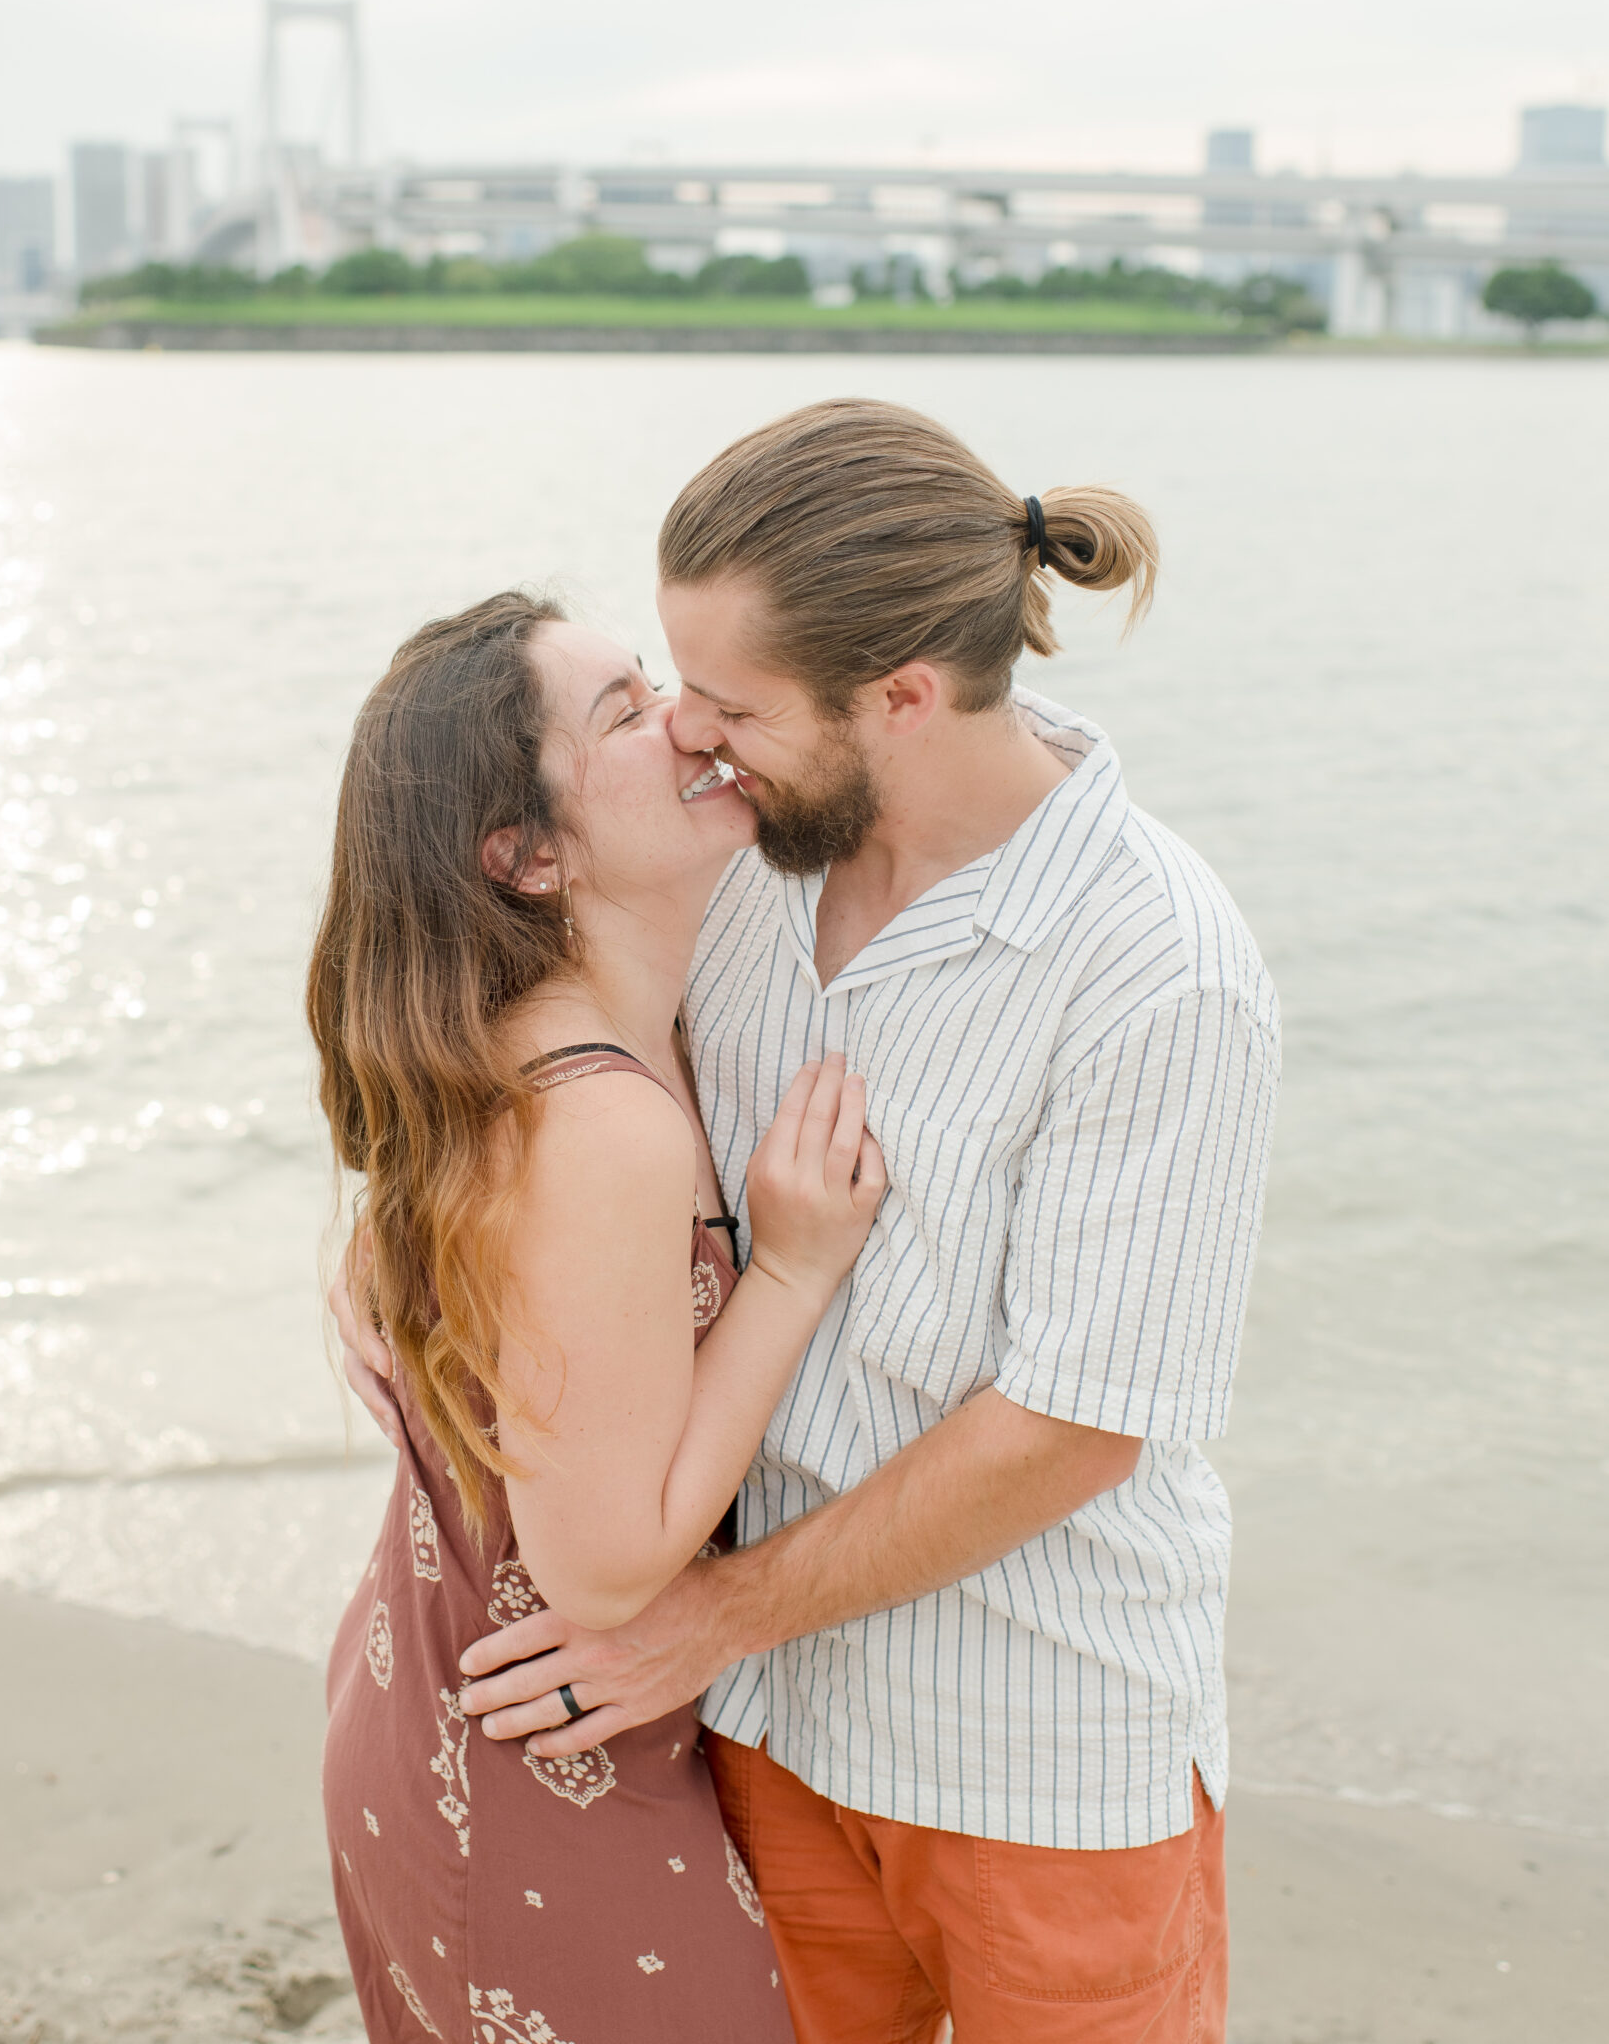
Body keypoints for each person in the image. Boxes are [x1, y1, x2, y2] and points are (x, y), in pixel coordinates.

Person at [408, 400, 1281, 2044]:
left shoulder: (1158, 967)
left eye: (731, 702)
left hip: (1034, 1745)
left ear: (901, 696)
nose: (688, 732)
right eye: (672, 687)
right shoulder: (735, 863)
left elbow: (1078, 1425)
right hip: (761, 1726)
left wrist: (701, 1622)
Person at [308, 587, 886, 2044]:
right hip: (525, 1769)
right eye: (626, 710)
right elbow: (606, 1572)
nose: (689, 719)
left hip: (446, 1707)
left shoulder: (531, 1046)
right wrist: (795, 1272)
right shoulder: (596, 1123)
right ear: (525, 854)